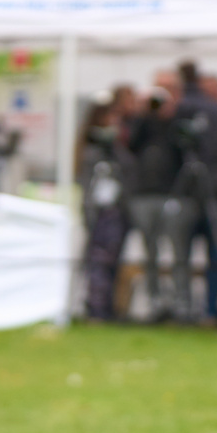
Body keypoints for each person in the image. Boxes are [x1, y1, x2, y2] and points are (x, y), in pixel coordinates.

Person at [124, 85, 194, 321]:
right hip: (143, 195)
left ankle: (182, 301)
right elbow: (130, 144)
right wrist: (143, 113)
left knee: (178, 251)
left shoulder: (174, 125)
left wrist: (170, 115)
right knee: (149, 251)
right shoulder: (141, 124)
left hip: (171, 193)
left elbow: (185, 149)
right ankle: (154, 300)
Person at [175, 60, 217, 322]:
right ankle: (187, 307)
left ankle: (211, 309)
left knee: (216, 254)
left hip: (214, 191)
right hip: (189, 191)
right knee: (181, 252)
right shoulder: (185, 108)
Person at [77, 94, 132, 322]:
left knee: (113, 262)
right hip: (99, 212)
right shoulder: (90, 150)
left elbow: (128, 168)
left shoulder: (118, 151)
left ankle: (109, 307)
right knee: (99, 261)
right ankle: (97, 308)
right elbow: (87, 181)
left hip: (116, 210)